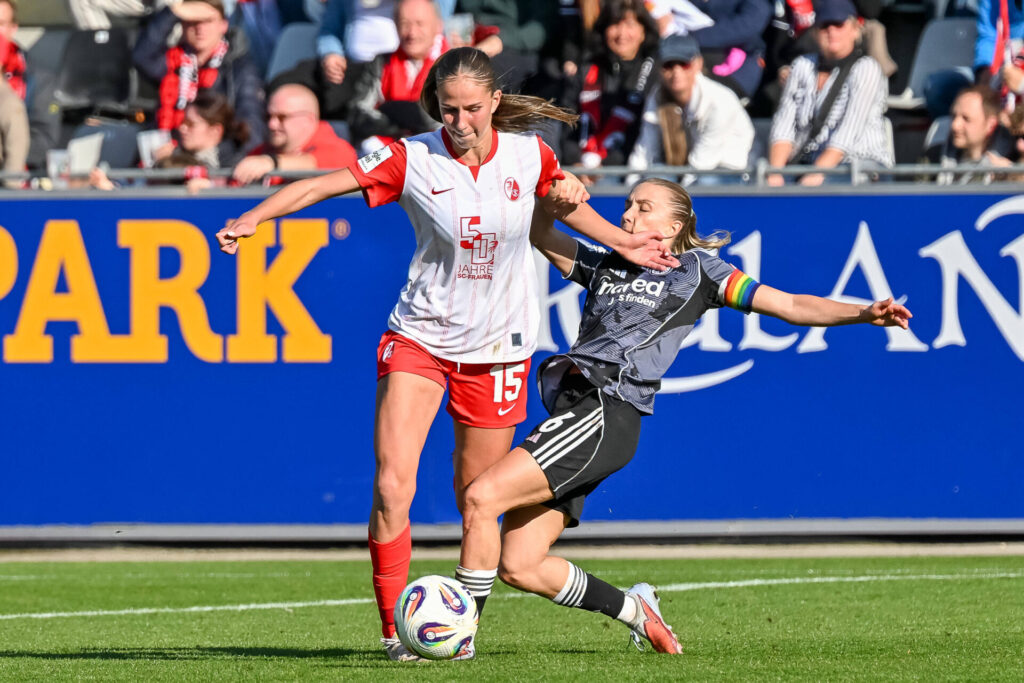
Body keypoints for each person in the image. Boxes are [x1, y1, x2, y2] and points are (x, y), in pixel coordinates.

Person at [214, 47, 677, 661]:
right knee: (391, 486)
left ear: (495, 103)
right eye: (448, 109)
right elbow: (324, 183)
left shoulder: (530, 154)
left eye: (471, 109)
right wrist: (255, 216)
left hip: (499, 351)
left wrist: (627, 243)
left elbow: (569, 211)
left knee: (474, 499)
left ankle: (461, 633)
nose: (459, 122)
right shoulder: (411, 157)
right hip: (421, 339)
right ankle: (395, 635)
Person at [455, 177, 913, 656]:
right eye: (628, 204)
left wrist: (864, 312)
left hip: (606, 408)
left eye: (644, 207)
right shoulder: (607, 260)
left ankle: (458, 635)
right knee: (521, 566)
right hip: (574, 413)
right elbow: (539, 233)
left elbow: (792, 304)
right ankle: (636, 610)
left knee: (482, 497)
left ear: (674, 226)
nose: (628, 214)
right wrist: (550, 200)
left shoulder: (700, 271)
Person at [346, 0, 499, 155]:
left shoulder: (457, 66)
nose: (412, 33)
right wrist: (399, 123)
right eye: (405, 24)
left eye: (420, 24)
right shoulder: (382, 63)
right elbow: (358, 113)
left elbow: (456, 118)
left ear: (438, 26)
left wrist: (402, 113)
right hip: (388, 149)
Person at [767, 0, 892, 187]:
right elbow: (783, 125)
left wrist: (814, 177)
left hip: (859, 163)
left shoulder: (866, 68)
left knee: (828, 186)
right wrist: (775, 174)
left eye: (839, 24)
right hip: (807, 163)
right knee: (761, 183)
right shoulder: (801, 66)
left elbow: (848, 133)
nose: (832, 31)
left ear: (855, 30)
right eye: (825, 26)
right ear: (815, 32)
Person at [132, 0, 266, 150]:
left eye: (208, 21)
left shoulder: (239, 68)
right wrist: (172, 13)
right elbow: (142, 56)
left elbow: (251, 129)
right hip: (168, 148)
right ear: (182, 25)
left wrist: (212, 157)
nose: (200, 28)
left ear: (224, 25)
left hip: (213, 156)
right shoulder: (175, 60)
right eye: (192, 21)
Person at [628, 33, 754, 185]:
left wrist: (678, 194)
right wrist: (630, 187)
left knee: (706, 182)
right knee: (656, 179)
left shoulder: (719, 101)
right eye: (668, 65)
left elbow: (703, 163)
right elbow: (645, 149)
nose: (676, 72)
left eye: (684, 64)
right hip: (689, 171)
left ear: (698, 64)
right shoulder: (657, 95)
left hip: (732, 172)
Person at [562, 0, 660, 181]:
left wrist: (605, 168)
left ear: (644, 32)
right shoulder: (587, 68)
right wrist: (574, 163)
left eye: (630, 25)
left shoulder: (656, 73)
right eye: (614, 24)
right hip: (580, 167)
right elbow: (566, 120)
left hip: (628, 171)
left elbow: (645, 135)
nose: (621, 34)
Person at [91, 89, 251, 191]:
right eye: (183, 122)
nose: (182, 128)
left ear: (215, 130)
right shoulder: (171, 155)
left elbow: (241, 200)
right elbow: (142, 196)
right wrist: (112, 188)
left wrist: (211, 189)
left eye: (191, 124)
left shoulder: (235, 162)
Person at [232, 83, 358, 185]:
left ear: (308, 120)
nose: (272, 124)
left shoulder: (337, 148)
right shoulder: (260, 153)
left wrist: (272, 163)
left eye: (282, 117)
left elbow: (315, 165)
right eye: (268, 116)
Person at [934, 84, 1015, 184]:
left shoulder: (1012, 165)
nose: (955, 125)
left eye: (966, 119)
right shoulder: (934, 156)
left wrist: (1012, 177)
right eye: (953, 116)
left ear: (990, 125)